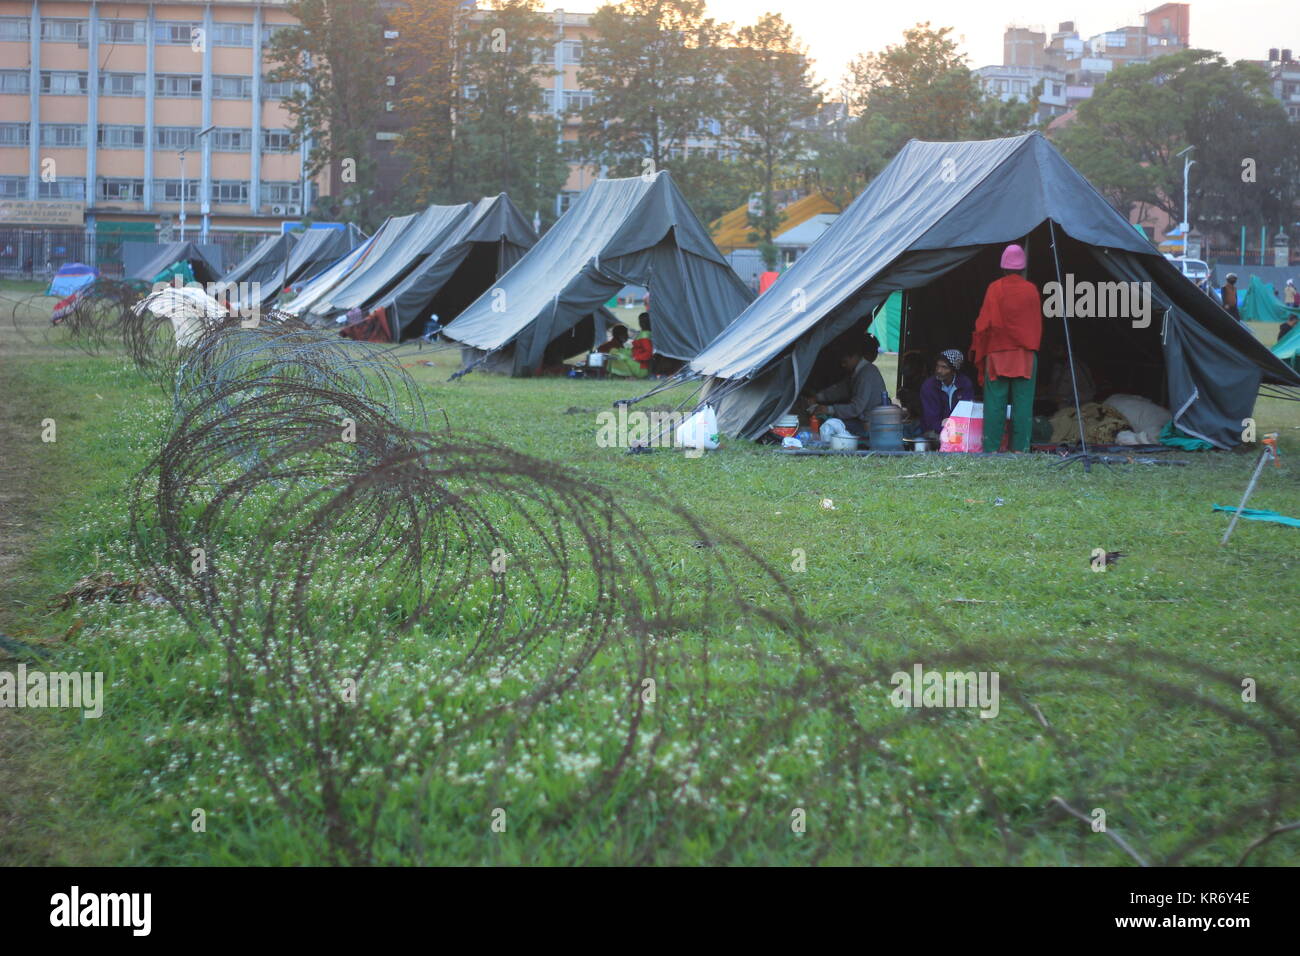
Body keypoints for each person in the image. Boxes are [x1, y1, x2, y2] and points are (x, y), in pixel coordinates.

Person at [971, 244, 1042, 452]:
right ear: (1022, 268)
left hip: (998, 355)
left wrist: (979, 347)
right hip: (1025, 357)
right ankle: (1020, 449)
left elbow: (983, 325)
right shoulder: (1031, 290)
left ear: (1003, 267)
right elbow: (1036, 325)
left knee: (994, 405)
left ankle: (991, 449)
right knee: (1023, 405)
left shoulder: (995, 288)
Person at [805, 335, 889, 438]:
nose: (843, 365)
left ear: (855, 356)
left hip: (871, 425)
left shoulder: (866, 374)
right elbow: (841, 390)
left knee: (830, 425)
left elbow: (856, 408)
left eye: (845, 361)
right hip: (865, 421)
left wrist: (829, 409)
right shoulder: (858, 372)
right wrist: (817, 397)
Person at [918, 349, 974, 437]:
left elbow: (966, 412)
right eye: (937, 366)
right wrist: (948, 429)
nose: (939, 370)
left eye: (944, 367)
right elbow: (930, 419)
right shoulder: (929, 386)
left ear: (954, 370)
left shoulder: (965, 384)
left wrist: (955, 427)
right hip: (935, 431)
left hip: (960, 429)